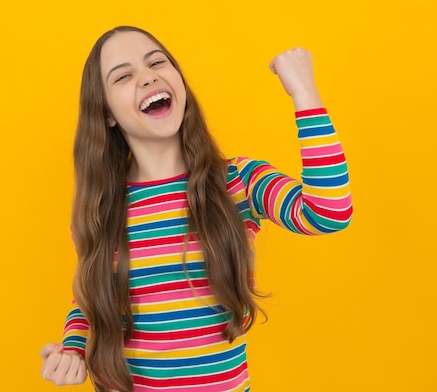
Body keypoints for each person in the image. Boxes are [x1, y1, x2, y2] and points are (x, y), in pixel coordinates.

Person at [40, 26, 353, 391]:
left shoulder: (238, 182)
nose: (148, 76)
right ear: (106, 113)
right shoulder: (99, 210)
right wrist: (72, 350)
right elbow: (90, 299)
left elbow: (329, 212)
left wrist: (305, 94)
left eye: (157, 62)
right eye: (123, 76)